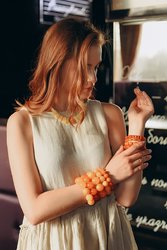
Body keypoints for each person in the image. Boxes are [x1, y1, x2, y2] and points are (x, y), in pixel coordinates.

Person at [7, 17, 154, 250]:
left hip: (107, 235)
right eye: (84, 67)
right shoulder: (22, 123)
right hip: (53, 242)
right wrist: (108, 177)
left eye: (96, 68)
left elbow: (126, 198)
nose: (92, 78)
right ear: (57, 62)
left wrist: (136, 126)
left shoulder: (110, 114)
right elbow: (34, 210)